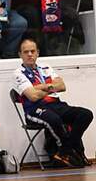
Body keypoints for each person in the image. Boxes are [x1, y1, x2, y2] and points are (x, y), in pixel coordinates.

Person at [13, 37, 92, 166]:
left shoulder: (46, 67)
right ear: (20, 55)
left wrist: (40, 87)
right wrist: (51, 86)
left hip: (56, 105)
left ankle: (65, 151)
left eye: (32, 51)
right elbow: (33, 97)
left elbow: (62, 86)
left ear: (38, 53)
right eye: (26, 52)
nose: (30, 54)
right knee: (54, 119)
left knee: (85, 114)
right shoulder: (18, 73)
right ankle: (69, 151)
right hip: (34, 109)